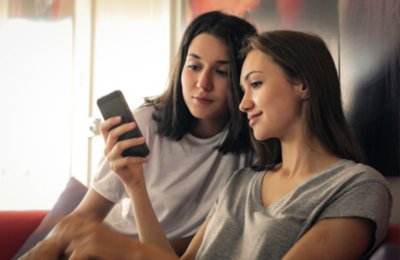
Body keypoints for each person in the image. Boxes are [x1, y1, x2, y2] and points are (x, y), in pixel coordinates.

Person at [53, 30, 392, 260]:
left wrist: (128, 252)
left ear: (302, 83)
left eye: (255, 84)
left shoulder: (357, 187)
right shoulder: (242, 184)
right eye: (242, 90)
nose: (243, 104)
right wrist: (135, 185)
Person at [21, 11, 257, 259]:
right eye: (194, 66)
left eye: (221, 72)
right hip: (102, 247)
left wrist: (130, 251)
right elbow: (88, 213)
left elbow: (208, 241)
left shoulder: (253, 150)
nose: (202, 83)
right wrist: (53, 242)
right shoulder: (147, 123)